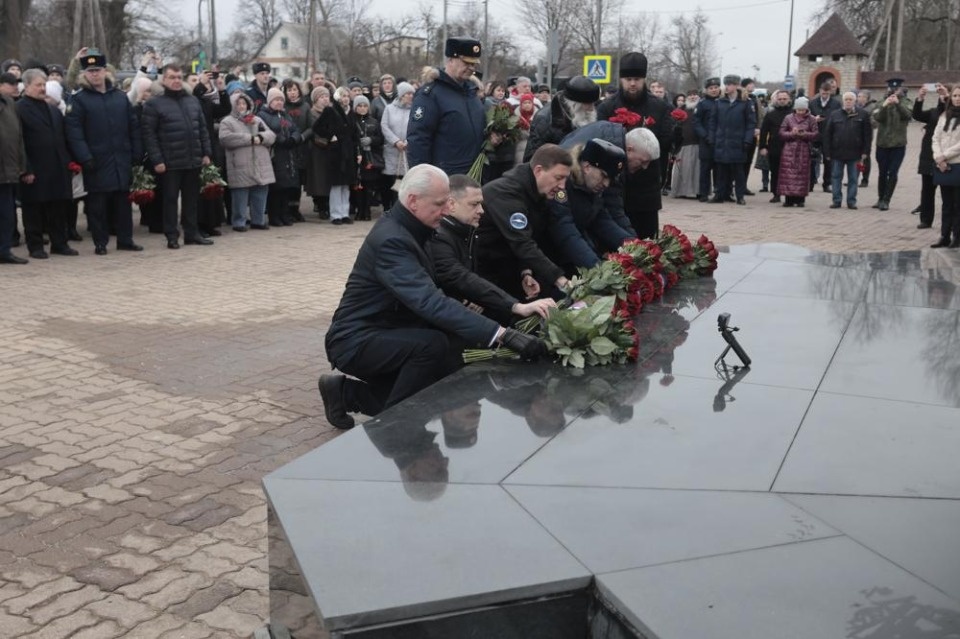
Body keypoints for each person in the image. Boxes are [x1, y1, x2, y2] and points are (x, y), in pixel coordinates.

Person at [320, 164, 547, 428]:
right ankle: (398, 430)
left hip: (390, 331)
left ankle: (348, 394)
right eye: (440, 203)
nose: (448, 210)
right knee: (431, 349)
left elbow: (456, 280)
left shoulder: (420, 230)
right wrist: (502, 335)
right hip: (356, 340)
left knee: (440, 380)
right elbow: (429, 301)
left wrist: (514, 307)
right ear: (414, 201)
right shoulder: (392, 240)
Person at [431, 174, 556, 324]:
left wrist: (525, 273)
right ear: (451, 205)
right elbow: (461, 278)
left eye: (481, 204)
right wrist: (515, 306)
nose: (481, 210)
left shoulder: (468, 231)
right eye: (474, 204)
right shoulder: (440, 238)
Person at [64, 49, 143, 256]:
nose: (95, 75)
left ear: (105, 71)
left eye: (98, 70)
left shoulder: (119, 97)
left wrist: (137, 152)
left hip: (121, 158)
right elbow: (74, 133)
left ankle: (125, 239)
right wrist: (85, 157)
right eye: (90, 71)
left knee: (124, 203)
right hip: (96, 160)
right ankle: (101, 242)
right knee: (97, 206)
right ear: (84, 74)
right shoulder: (79, 100)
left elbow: (132, 125)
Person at [475, 144, 573, 299]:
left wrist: (526, 272)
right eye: (558, 178)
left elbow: (530, 236)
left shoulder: (536, 193)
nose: (562, 187)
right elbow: (522, 243)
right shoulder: (506, 194)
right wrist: (560, 280)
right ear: (539, 170)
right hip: (482, 271)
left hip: (506, 266)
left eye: (565, 179)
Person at [141, 63, 214, 249]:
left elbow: (202, 129)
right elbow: (149, 135)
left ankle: (191, 233)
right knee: (170, 200)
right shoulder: (154, 104)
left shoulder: (192, 101)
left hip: (192, 159)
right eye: (172, 77)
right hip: (169, 162)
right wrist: (157, 160)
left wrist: (206, 152)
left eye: (179, 77)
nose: (176, 81)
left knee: (192, 200)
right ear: (164, 80)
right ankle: (172, 235)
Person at [17, 68, 77, 259]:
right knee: (33, 209)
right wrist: (26, 169)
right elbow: (18, 142)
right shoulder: (19, 109)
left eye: (44, 84)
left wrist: (69, 162)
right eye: (38, 85)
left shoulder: (52, 109)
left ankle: (59, 243)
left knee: (58, 207)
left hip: (58, 167)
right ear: (26, 86)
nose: (42, 88)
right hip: (35, 168)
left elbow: (63, 137)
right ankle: (35, 246)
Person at [547, 138, 634, 270]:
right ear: (587, 167)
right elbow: (566, 231)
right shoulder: (562, 185)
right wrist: (597, 268)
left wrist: (636, 246)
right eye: (604, 176)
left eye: (610, 179)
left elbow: (604, 223)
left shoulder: (589, 187)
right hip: (550, 260)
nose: (606, 184)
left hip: (572, 256)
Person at [407, 37, 486, 175]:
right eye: (466, 63)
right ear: (451, 59)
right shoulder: (431, 94)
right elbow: (418, 140)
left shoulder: (472, 93)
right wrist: (423, 179)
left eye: (474, 64)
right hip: (445, 176)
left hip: (474, 173)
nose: (471, 68)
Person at [597, 52, 672, 186]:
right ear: (621, 79)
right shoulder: (606, 107)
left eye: (637, 79)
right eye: (628, 79)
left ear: (644, 80)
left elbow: (665, 144)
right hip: (615, 179)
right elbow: (600, 143)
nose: (632, 83)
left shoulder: (660, 107)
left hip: (648, 179)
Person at [219, 92, 275, 231]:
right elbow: (226, 138)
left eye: (244, 103)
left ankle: (258, 220)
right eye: (238, 104)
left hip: (260, 162)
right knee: (240, 194)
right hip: (239, 164)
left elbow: (271, 135)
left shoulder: (257, 119)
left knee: (260, 192)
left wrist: (261, 138)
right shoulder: (227, 121)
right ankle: (239, 222)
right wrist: (249, 138)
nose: (242, 106)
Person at [524, 75, 600, 161]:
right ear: (575, 104)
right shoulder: (545, 119)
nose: (591, 109)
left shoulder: (585, 113)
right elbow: (532, 159)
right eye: (588, 104)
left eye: (593, 103)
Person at [311, 86, 357, 225]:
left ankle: (344, 213)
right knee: (336, 185)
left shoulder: (350, 112)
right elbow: (317, 127)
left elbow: (353, 133)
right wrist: (330, 136)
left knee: (346, 185)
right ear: (337, 97)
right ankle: (336, 214)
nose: (345, 99)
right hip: (336, 152)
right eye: (343, 96)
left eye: (347, 96)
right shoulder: (330, 111)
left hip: (348, 151)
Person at [258, 87, 303, 227]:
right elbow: (266, 130)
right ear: (270, 101)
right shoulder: (263, 115)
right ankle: (274, 216)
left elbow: (295, 129)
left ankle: (285, 214)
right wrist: (280, 139)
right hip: (275, 153)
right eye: (276, 100)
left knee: (287, 187)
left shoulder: (285, 115)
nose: (279, 103)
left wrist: (294, 139)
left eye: (281, 100)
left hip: (288, 153)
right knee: (276, 188)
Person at [710, 74, 756, 205]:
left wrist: (747, 140)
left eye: (730, 84)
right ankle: (719, 194)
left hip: (738, 142)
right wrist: (712, 138)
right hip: (721, 142)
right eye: (726, 84)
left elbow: (750, 123)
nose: (727, 87)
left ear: (736, 86)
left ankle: (740, 195)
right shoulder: (719, 102)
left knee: (738, 172)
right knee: (720, 171)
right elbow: (713, 122)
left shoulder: (746, 103)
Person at [823, 91, 872, 210]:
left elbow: (867, 135)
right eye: (846, 99)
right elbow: (828, 134)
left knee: (853, 178)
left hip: (855, 153)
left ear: (855, 101)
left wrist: (866, 152)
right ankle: (836, 200)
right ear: (843, 101)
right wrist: (827, 152)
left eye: (851, 99)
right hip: (837, 152)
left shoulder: (863, 114)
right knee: (836, 177)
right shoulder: (835, 114)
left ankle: (851, 201)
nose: (848, 101)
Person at [871, 78, 912, 211]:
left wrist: (898, 104)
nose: (893, 90)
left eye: (896, 88)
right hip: (882, 143)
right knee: (882, 172)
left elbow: (908, 116)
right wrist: (885, 105)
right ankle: (880, 198)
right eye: (891, 88)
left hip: (898, 144)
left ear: (900, 89)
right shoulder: (881, 102)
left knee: (892, 172)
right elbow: (877, 118)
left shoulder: (906, 102)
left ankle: (886, 200)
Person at [0, 71, 28, 264]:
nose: (15, 87)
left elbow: (18, 138)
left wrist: (21, 165)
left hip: (8, 172)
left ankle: (4, 251)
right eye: (11, 84)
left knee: (8, 216)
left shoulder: (10, 104)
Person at [913, 83, 949, 229]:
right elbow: (917, 115)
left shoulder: (953, 113)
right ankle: (926, 220)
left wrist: (946, 95)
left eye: (945, 95)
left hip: (946, 156)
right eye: (939, 94)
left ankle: (949, 223)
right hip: (929, 156)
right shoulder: (933, 112)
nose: (941, 96)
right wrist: (920, 98)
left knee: (947, 193)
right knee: (927, 190)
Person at [931, 85, 960, 248]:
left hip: (957, 164)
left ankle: (957, 236)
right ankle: (944, 236)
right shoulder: (944, 116)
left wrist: (944, 156)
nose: (957, 98)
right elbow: (936, 138)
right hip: (942, 165)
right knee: (946, 203)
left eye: (959, 96)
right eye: (955, 96)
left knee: (957, 203)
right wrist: (938, 158)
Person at [777, 96, 819, 208]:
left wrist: (804, 134)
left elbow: (815, 134)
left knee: (802, 175)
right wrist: (792, 133)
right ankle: (788, 199)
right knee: (788, 174)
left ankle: (800, 199)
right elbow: (781, 132)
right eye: (798, 109)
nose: (800, 112)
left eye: (803, 110)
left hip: (803, 150)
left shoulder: (811, 119)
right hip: (789, 150)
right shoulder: (788, 118)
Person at [380, 81, 415, 212]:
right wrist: (395, 141)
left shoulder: (414, 110)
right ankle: (387, 206)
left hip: (407, 150)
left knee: (405, 180)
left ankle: (400, 207)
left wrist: (407, 141)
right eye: (408, 93)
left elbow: (416, 127)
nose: (411, 96)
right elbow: (384, 126)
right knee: (390, 179)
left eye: (412, 93)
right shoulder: (389, 109)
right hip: (392, 150)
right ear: (401, 95)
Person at [349, 94, 383, 221]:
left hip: (370, 158)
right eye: (360, 106)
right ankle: (359, 210)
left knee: (368, 185)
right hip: (357, 157)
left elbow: (380, 139)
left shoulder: (374, 122)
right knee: (358, 185)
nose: (362, 108)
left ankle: (367, 210)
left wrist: (371, 140)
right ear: (355, 107)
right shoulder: (351, 121)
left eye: (365, 106)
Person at [758, 90, 793, 203]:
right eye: (780, 99)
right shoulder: (771, 114)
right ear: (776, 100)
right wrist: (763, 146)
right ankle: (776, 194)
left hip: (791, 147)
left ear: (789, 100)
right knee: (775, 172)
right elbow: (764, 131)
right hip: (775, 147)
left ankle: (790, 195)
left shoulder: (794, 113)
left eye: (784, 99)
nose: (782, 101)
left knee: (790, 172)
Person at [809, 81, 841, 192]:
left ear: (830, 92)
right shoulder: (813, 103)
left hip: (829, 135)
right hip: (815, 134)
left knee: (829, 161)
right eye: (823, 93)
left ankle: (827, 183)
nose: (824, 95)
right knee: (812, 160)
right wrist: (814, 119)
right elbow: (807, 117)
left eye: (827, 93)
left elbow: (838, 119)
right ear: (820, 91)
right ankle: (811, 182)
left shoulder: (836, 104)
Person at [670, 91, 700, 199]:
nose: (692, 97)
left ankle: (698, 191)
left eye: (694, 94)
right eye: (690, 95)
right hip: (683, 142)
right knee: (683, 167)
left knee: (697, 169)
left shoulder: (701, 108)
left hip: (698, 142)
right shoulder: (681, 109)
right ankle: (680, 191)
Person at [694, 77, 720, 202]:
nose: (714, 90)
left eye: (716, 87)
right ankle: (704, 193)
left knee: (719, 169)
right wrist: (705, 136)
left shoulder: (723, 102)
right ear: (706, 90)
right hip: (706, 141)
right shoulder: (702, 104)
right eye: (711, 88)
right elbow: (697, 122)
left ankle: (719, 192)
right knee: (705, 169)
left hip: (720, 141)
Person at [856, 89, 877, 186]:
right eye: (859, 96)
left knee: (865, 157)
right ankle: (854, 178)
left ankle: (865, 179)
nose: (860, 98)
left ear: (867, 98)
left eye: (863, 97)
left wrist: (867, 119)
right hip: (855, 135)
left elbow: (875, 123)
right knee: (855, 157)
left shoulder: (872, 107)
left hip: (866, 135)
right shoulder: (855, 106)